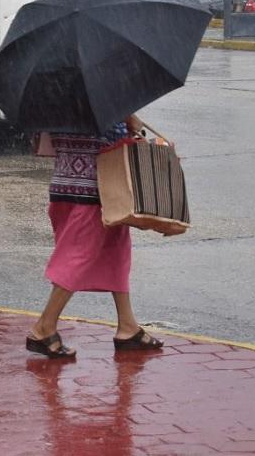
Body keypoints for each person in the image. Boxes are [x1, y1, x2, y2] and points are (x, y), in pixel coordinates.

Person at [26, 113, 165, 358]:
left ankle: (127, 326)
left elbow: (40, 140)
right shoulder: (99, 102)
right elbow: (111, 137)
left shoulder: (54, 99)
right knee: (76, 258)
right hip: (94, 190)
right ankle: (43, 328)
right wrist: (130, 124)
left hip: (64, 186)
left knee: (117, 252)